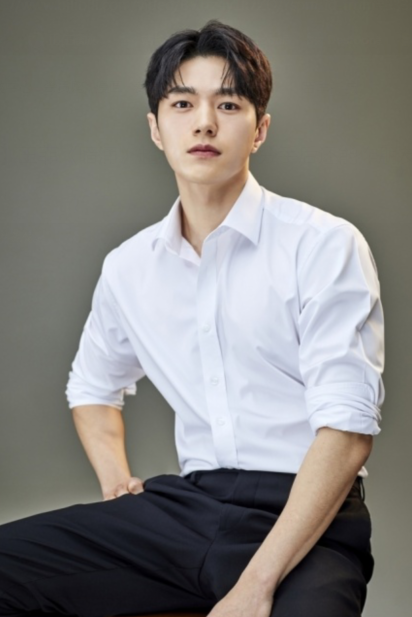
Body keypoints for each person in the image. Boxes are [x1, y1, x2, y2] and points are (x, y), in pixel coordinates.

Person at [0, 20, 384, 617]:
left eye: (227, 104)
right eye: (182, 104)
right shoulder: (129, 267)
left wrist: (254, 587)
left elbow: (348, 432)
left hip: (310, 516)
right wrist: (116, 482)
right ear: (156, 129)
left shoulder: (323, 244)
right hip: (186, 510)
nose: (204, 122)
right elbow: (91, 387)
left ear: (260, 129)